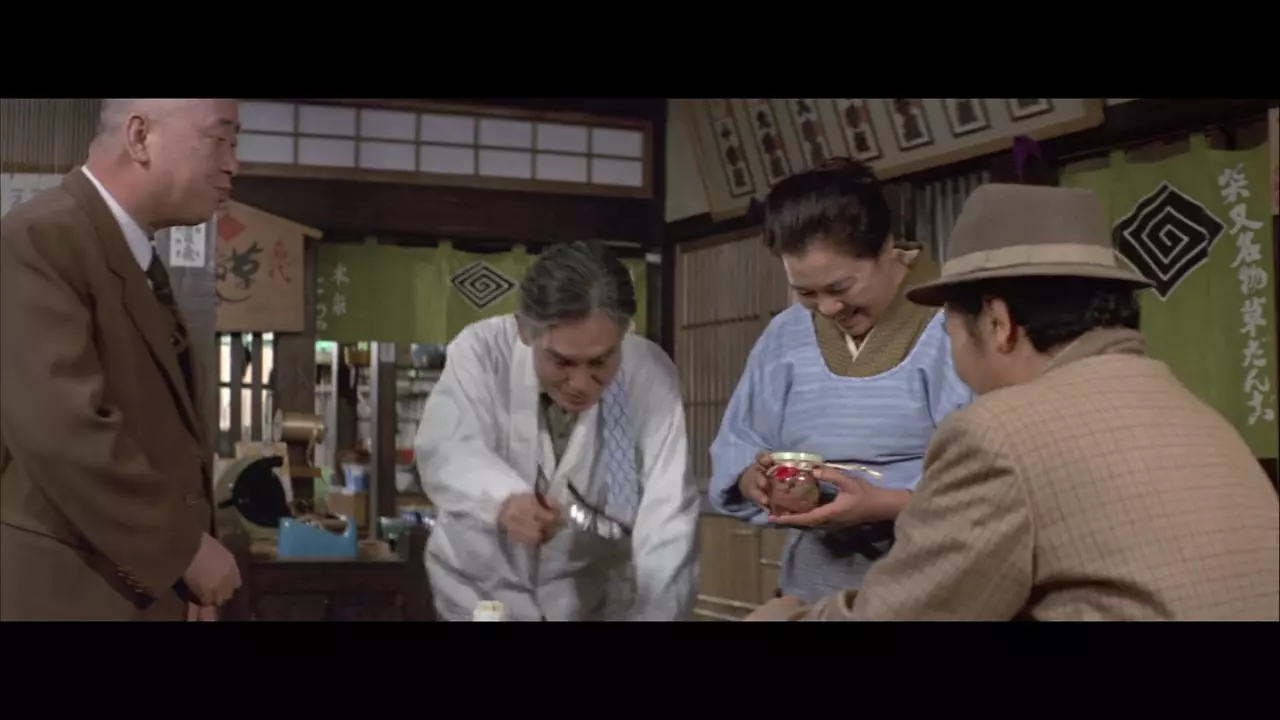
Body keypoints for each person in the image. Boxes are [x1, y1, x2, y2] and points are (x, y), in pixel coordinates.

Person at [748, 183, 1280, 621]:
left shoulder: (1000, 431)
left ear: (999, 323)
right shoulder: (1194, 413)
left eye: (950, 331)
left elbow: (914, 614)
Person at [0, 99, 243, 621]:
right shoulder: (40, 238)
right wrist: (183, 551)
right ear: (139, 138)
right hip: (69, 596)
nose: (232, 164)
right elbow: (61, 430)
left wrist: (186, 574)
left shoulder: (129, 251)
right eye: (220, 139)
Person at [707, 158, 974, 604]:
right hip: (812, 584)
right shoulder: (785, 334)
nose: (829, 309)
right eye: (806, 293)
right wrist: (754, 477)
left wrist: (883, 504)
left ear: (886, 248)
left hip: (926, 582)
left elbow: (985, 480)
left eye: (840, 288)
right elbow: (741, 438)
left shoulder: (953, 326)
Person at [414, 240, 699, 621]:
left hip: (589, 601)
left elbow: (669, 517)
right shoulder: (483, 353)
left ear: (624, 332)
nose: (580, 383)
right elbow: (447, 447)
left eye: (600, 361)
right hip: (479, 591)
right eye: (561, 362)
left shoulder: (647, 376)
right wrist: (502, 499)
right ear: (524, 330)